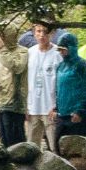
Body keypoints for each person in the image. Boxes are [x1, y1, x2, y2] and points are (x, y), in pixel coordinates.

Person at [0, 25, 27, 148]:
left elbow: (18, 68)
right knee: (4, 141)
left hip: (14, 104)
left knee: (16, 142)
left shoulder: (22, 51)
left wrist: (4, 51)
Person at [51, 32, 86, 139]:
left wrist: (80, 111)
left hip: (79, 116)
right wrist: (56, 108)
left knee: (77, 152)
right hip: (63, 115)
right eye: (60, 49)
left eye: (64, 49)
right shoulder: (60, 66)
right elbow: (59, 90)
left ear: (71, 48)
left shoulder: (82, 65)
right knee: (58, 147)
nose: (61, 52)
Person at [26, 21, 62, 150]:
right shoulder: (29, 53)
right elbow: (25, 82)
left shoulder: (58, 54)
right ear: (34, 33)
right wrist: (26, 106)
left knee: (55, 147)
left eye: (45, 32)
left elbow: (61, 83)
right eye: (38, 31)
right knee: (31, 148)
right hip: (33, 107)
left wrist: (57, 106)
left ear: (52, 33)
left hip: (51, 108)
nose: (42, 35)